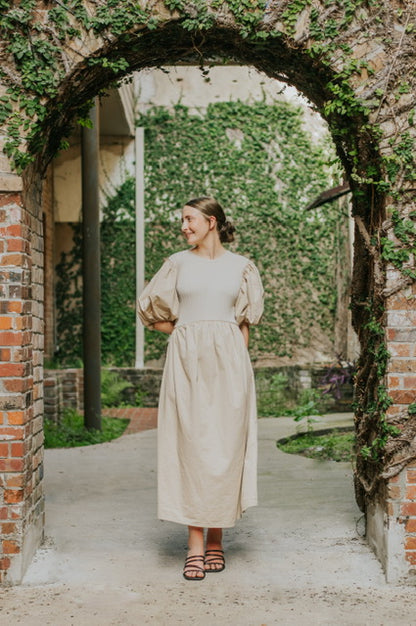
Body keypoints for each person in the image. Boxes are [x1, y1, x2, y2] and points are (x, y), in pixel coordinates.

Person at [137, 196, 264, 581]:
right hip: (186, 367)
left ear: (211, 222)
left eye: (189, 219)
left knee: (223, 450)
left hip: (230, 370)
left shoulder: (241, 267)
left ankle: (215, 542)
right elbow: (148, 311)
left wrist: (234, 359)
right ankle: (194, 546)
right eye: (182, 220)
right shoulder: (177, 264)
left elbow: (245, 323)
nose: (184, 226)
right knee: (190, 448)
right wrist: (185, 333)